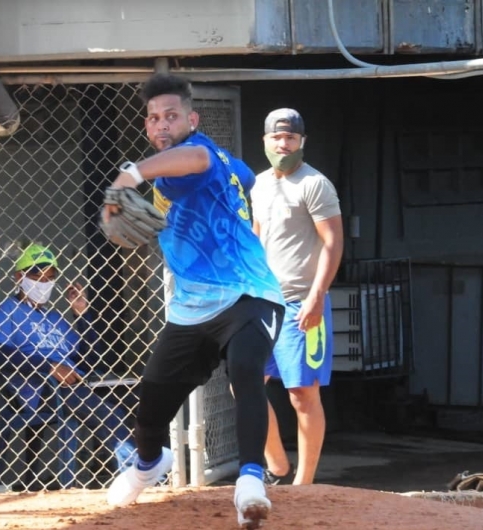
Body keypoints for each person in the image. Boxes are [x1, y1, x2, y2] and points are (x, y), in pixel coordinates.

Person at [103, 73, 286, 529]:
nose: (161, 124)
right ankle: (148, 464)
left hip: (250, 293)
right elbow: (241, 174)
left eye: (171, 116)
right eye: (153, 118)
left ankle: (249, 482)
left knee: (245, 372)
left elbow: (198, 158)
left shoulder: (199, 153)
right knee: (150, 411)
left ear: (191, 118)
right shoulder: (215, 164)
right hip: (191, 307)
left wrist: (133, 173)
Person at [0, 243, 136, 489]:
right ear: (19, 277)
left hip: (74, 385)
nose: (43, 283)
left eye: (50, 278)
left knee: (132, 398)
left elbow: (90, 359)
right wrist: (49, 365)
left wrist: (81, 314)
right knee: (106, 412)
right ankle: (139, 473)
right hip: (38, 389)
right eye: (37, 276)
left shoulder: (54, 318)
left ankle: (144, 463)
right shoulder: (9, 311)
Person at [250, 109, 344, 486]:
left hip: (301, 302)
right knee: (246, 383)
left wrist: (317, 297)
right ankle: (277, 464)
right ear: (266, 141)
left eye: (290, 138)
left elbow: (333, 242)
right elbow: (256, 238)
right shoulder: (258, 184)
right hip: (261, 303)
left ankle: (304, 486)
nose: (282, 144)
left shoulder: (315, 184)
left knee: (302, 394)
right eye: (276, 138)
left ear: (302, 141)